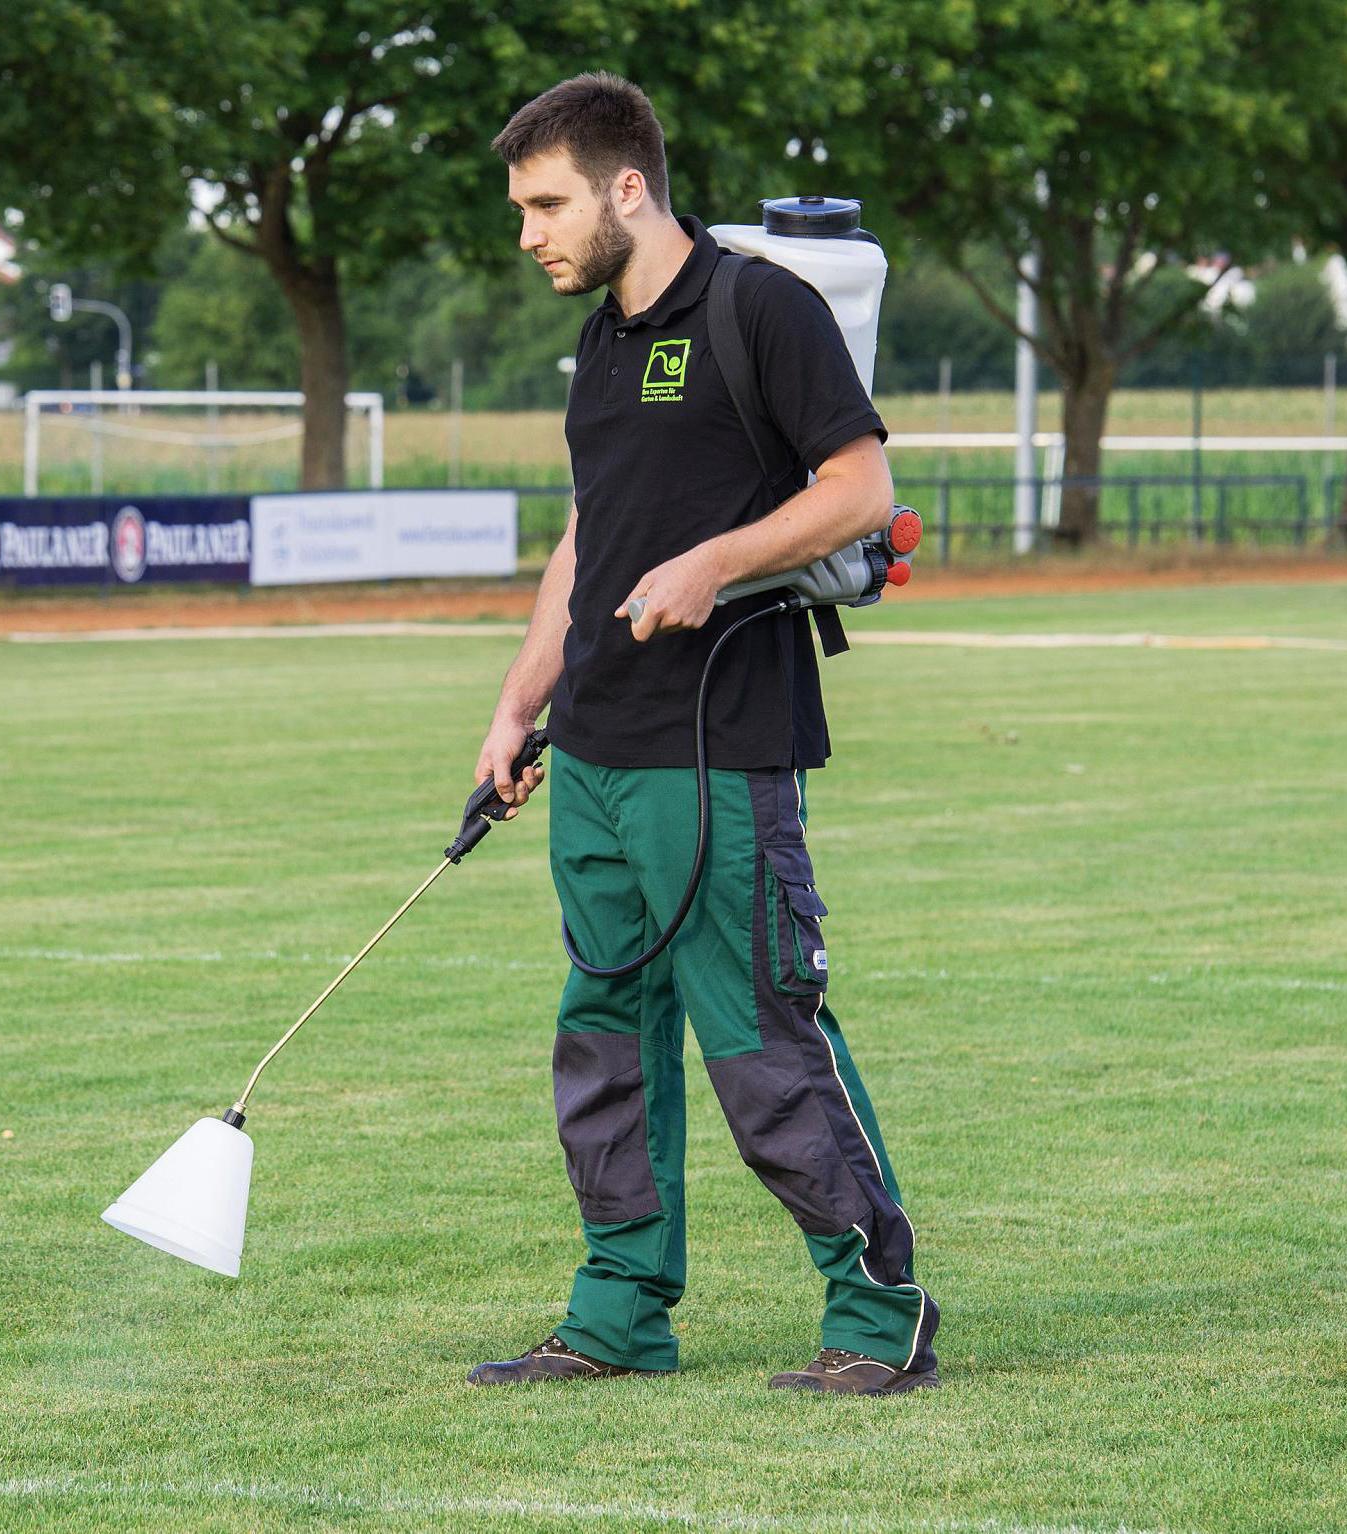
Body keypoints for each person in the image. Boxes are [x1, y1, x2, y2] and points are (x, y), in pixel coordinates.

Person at [465, 72, 940, 1397]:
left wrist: (712, 563)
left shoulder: (759, 307)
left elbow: (861, 488)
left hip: (721, 743)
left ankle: (875, 1309)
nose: (529, 236)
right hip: (597, 748)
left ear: (627, 187)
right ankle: (617, 1308)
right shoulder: (599, 341)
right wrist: (518, 700)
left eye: (545, 204)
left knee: (758, 1031)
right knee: (602, 1033)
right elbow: (588, 528)